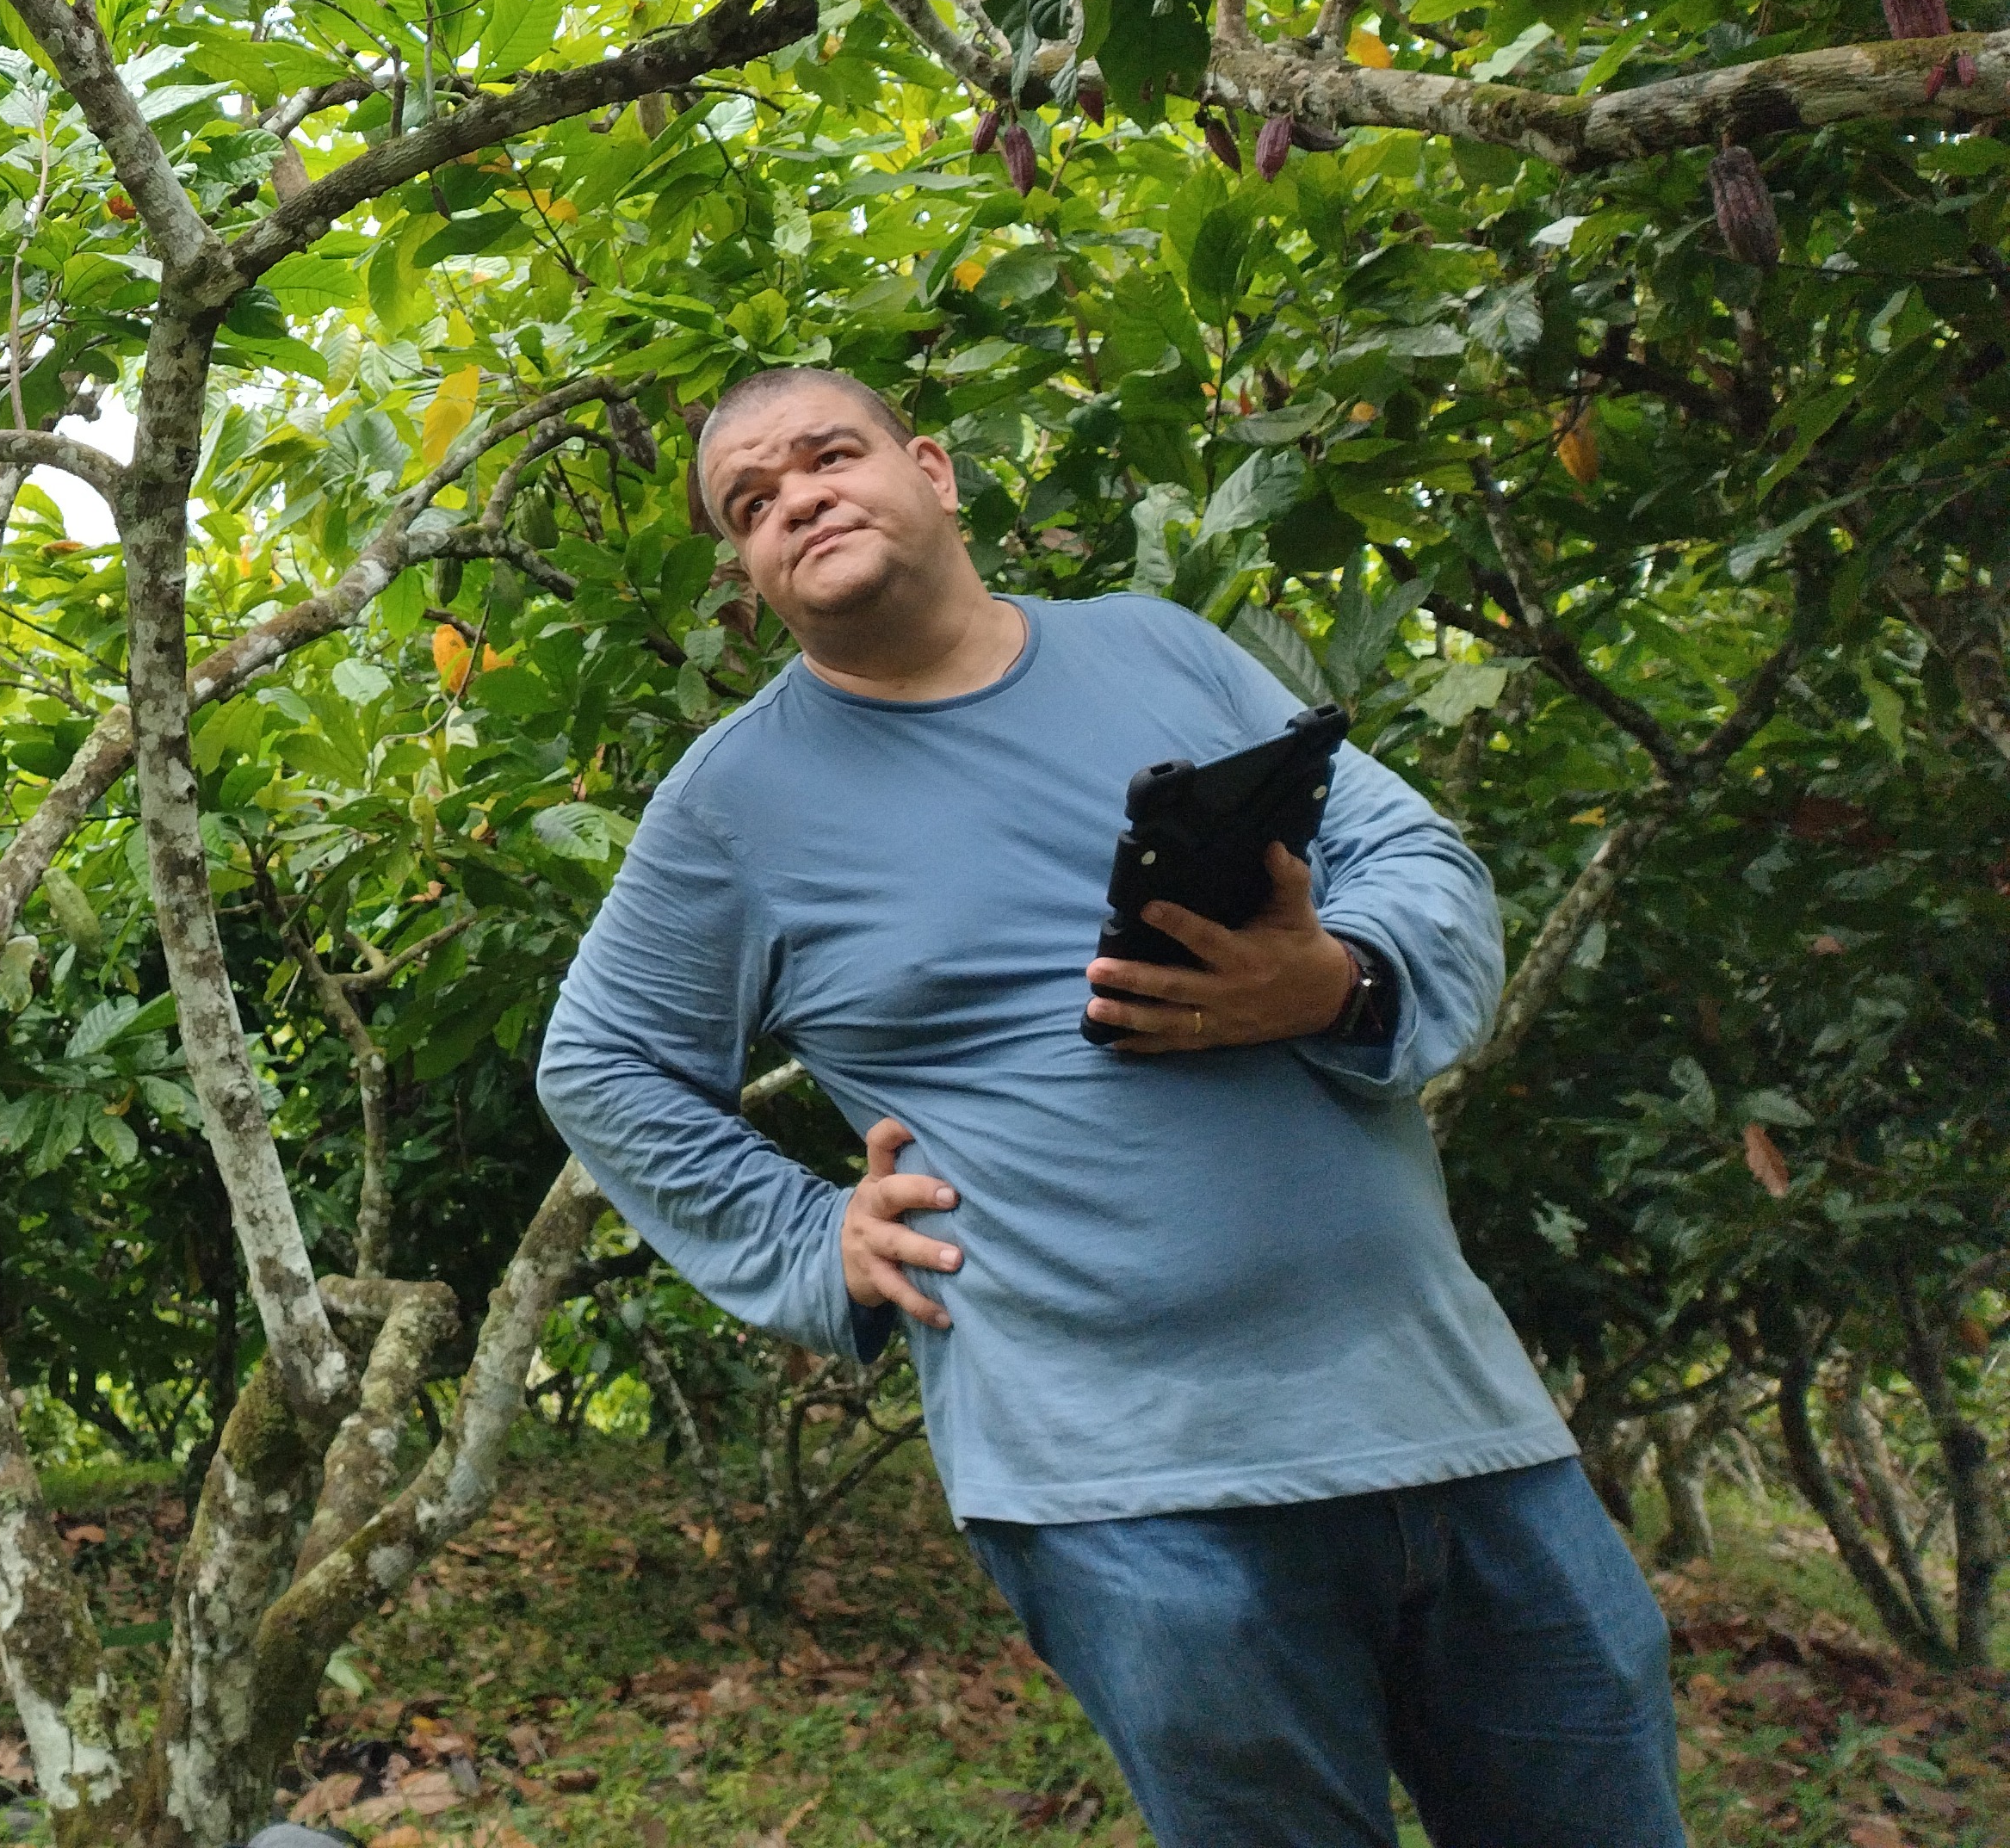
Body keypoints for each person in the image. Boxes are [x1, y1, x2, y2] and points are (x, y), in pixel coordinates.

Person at [537, 366, 1680, 1848]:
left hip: (1450, 1414)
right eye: (750, 506)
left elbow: (1421, 855)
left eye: (829, 456)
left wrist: (1335, 980)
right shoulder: (733, 802)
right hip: (1126, 1486)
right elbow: (602, 1065)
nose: (796, 500)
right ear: (746, 577)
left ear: (934, 471)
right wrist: (817, 1239)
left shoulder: (1159, 650)